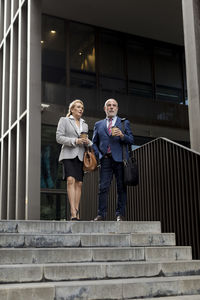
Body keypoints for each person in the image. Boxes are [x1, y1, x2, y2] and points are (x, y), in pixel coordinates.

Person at [92, 98, 134, 221]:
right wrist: (99, 155)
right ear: (105, 109)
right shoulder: (98, 124)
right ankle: (101, 214)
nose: (111, 107)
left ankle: (120, 214)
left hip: (120, 160)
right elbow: (94, 143)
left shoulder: (123, 122)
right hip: (105, 160)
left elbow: (131, 140)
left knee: (121, 187)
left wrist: (122, 135)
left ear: (117, 108)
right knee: (103, 187)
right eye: (109, 105)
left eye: (114, 105)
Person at [56, 99, 92, 220]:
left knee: (79, 183)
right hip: (68, 154)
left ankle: (77, 209)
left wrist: (88, 141)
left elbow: (89, 141)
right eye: (78, 107)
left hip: (80, 155)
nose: (81, 109)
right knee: (70, 180)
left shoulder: (85, 124)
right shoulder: (64, 120)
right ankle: (72, 211)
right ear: (72, 109)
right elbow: (59, 138)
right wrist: (74, 141)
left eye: (82, 108)